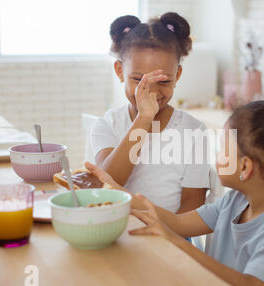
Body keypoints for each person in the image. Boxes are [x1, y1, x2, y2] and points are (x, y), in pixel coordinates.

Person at [86, 100, 264, 286]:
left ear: (245, 167)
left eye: (223, 150)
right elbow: (178, 223)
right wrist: (112, 189)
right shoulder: (236, 201)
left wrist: (177, 243)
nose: (217, 156)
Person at [90, 12, 210, 214]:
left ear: (177, 75)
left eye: (163, 81)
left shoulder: (193, 130)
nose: (151, 92)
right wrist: (143, 119)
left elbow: (193, 206)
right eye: (138, 80)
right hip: (116, 230)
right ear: (120, 71)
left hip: (172, 235)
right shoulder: (106, 125)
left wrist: (164, 234)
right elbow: (107, 184)